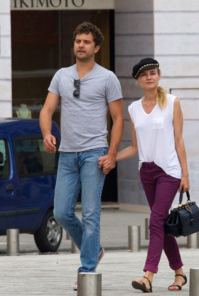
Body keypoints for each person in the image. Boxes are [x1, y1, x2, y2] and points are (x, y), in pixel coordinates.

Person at [39, 21, 124, 289]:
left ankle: (86, 268)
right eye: (78, 41)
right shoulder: (61, 75)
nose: (81, 45)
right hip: (66, 154)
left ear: (96, 47)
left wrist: (111, 154)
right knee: (62, 212)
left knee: (90, 213)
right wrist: (46, 134)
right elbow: (46, 110)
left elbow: (118, 118)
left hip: (94, 154)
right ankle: (94, 248)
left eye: (87, 41)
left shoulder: (107, 77)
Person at [109, 57, 190, 292]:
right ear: (138, 80)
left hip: (169, 171)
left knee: (155, 221)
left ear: (159, 75)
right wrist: (111, 157)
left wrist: (185, 174)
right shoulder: (133, 108)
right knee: (161, 224)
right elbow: (135, 147)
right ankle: (179, 273)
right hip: (147, 172)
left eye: (153, 72)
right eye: (144, 74)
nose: (149, 77)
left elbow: (178, 140)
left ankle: (148, 276)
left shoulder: (172, 102)